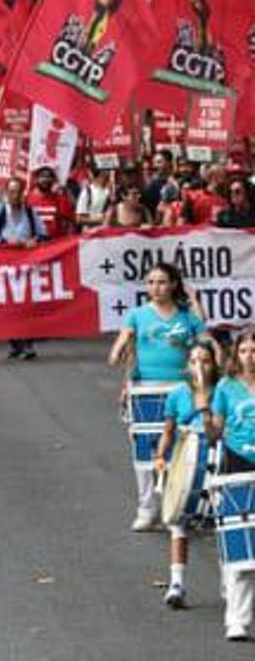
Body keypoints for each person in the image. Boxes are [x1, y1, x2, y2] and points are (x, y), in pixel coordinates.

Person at [108, 262, 216, 532]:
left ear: (173, 285)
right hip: (146, 389)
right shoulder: (137, 315)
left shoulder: (187, 318)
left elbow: (207, 345)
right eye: (151, 282)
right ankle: (147, 508)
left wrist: (211, 355)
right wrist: (119, 359)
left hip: (181, 390)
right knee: (145, 451)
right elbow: (126, 347)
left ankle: (174, 507)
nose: (155, 288)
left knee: (178, 449)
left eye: (161, 282)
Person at [151, 341, 220, 610]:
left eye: (205, 360)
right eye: (193, 361)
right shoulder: (178, 393)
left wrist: (205, 406)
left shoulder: (224, 391)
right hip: (186, 456)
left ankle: (229, 581)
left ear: (214, 363)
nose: (199, 366)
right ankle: (177, 583)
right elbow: (168, 431)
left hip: (217, 457)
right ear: (186, 366)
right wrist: (160, 456)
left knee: (220, 524)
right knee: (178, 523)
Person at [214, 329, 255, 640]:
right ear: (236, 355)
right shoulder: (226, 387)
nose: (250, 357)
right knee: (242, 548)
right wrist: (202, 400)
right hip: (236, 464)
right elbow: (214, 432)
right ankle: (237, 620)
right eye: (245, 351)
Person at [0, 177, 46, 360]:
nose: (14, 195)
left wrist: (33, 241)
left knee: (27, 304)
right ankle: (15, 344)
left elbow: (42, 233)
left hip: (27, 264)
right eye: (11, 192)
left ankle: (27, 344)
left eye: (18, 191)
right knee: (11, 305)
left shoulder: (30, 212)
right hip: (6, 264)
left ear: (23, 193)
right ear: (6, 193)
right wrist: (8, 244)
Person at [25, 166, 76, 239]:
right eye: (42, 176)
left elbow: (72, 221)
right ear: (36, 179)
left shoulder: (61, 199)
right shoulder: (27, 199)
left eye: (49, 177)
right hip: (35, 245)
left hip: (55, 244)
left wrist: (68, 240)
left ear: (53, 180)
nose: (45, 180)